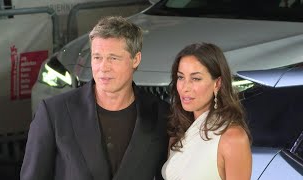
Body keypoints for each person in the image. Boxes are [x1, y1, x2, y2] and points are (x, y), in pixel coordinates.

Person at [20, 16, 169, 180]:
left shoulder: (161, 115)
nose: (103, 68)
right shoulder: (54, 113)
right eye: (97, 57)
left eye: (113, 58)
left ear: (135, 59)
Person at [161, 42, 252, 180]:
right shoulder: (178, 134)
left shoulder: (233, 138)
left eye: (195, 79)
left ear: (217, 83)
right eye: (180, 77)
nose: (185, 87)